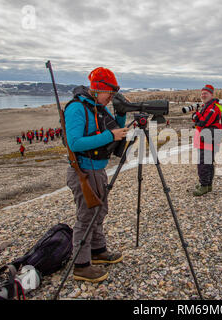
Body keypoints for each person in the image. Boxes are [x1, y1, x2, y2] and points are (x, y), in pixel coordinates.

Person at [64, 67, 128, 283]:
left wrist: (121, 113)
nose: (110, 98)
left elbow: (115, 130)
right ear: (98, 88)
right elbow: (75, 143)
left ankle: (98, 251)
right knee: (86, 216)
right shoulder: (77, 108)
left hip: (97, 169)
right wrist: (110, 135)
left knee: (99, 211)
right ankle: (81, 265)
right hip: (83, 170)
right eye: (109, 93)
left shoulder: (98, 107)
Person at [191, 84, 222, 196]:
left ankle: (204, 186)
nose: (203, 95)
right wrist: (197, 116)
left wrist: (196, 117)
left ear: (211, 94)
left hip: (209, 138)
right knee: (207, 162)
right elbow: (200, 121)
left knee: (204, 163)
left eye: (206, 93)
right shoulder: (207, 106)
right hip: (207, 138)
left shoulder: (213, 107)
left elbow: (203, 123)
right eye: (202, 93)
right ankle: (208, 185)